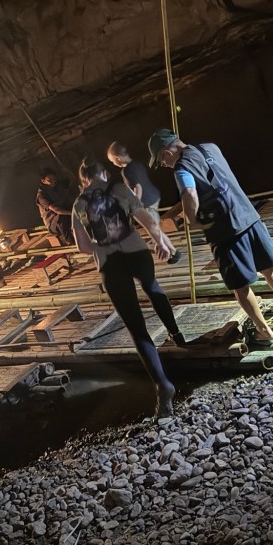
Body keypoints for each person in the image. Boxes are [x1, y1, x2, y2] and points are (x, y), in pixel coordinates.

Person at [148, 127, 273, 345]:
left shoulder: (181, 168)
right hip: (249, 217)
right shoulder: (210, 147)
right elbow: (209, 184)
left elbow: (190, 192)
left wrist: (192, 221)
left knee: (239, 286)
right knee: (269, 269)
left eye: (161, 161)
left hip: (226, 232)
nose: (164, 165)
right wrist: (172, 213)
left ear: (167, 152)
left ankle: (265, 333)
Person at [71, 157, 186, 418]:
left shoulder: (78, 204)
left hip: (109, 265)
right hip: (136, 252)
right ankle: (177, 335)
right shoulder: (119, 189)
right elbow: (149, 222)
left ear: (84, 179)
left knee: (136, 328)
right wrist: (162, 243)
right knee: (153, 287)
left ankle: (163, 386)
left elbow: (83, 247)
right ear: (102, 172)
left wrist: (102, 243)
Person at [107, 141, 181, 264]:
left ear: (117, 158)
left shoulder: (126, 171)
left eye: (112, 161)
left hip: (146, 202)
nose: (113, 163)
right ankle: (171, 250)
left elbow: (138, 187)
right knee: (155, 229)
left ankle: (174, 252)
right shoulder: (137, 163)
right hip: (154, 196)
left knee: (154, 229)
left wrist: (137, 205)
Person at [35, 167, 75, 246]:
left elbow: (72, 179)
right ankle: (69, 241)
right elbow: (56, 210)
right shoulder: (42, 196)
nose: (53, 181)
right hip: (53, 222)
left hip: (66, 212)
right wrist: (73, 213)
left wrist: (66, 171)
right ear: (43, 181)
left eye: (54, 179)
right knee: (61, 217)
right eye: (50, 180)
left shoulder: (57, 184)